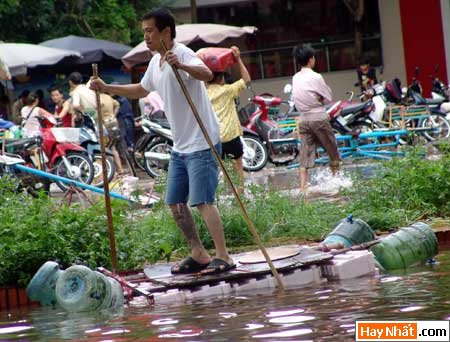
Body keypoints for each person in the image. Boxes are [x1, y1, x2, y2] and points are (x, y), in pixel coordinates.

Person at [90, 8, 234, 275]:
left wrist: (182, 65)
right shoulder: (156, 63)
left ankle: (224, 256)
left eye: (149, 31)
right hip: (180, 144)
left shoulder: (180, 53)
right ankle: (199, 254)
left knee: (202, 201)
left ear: (166, 32)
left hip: (202, 140)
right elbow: (141, 89)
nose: (145, 37)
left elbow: (206, 73)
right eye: (144, 31)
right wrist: (107, 88)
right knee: (175, 204)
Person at [292, 45, 340, 193]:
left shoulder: (295, 77)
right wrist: (319, 98)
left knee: (304, 154)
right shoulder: (316, 76)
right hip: (318, 117)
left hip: (303, 119)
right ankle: (336, 182)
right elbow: (328, 96)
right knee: (332, 151)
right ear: (311, 59)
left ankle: (303, 188)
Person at [205, 46, 250, 192]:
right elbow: (246, 79)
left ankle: (229, 194)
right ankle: (240, 196)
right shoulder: (227, 90)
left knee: (224, 172)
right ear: (221, 78)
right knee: (238, 168)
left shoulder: (204, 94)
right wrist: (238, 59)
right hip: (231, 136)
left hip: (214, 138)